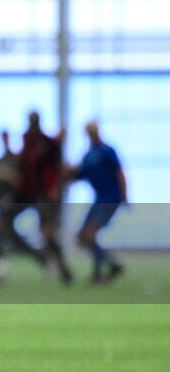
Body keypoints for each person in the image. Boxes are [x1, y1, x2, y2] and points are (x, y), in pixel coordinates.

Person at [0, 129, 46, 283]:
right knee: (10, 236)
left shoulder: (15, 160)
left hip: (11, 202)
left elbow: (21, 180)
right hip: (1, 204)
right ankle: (41, 259)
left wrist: (9, 178)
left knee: (0, 231)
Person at [16, 111, 74, 283]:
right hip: (29, 194)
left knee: (47, 232)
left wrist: (55, 188)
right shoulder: (27, 141)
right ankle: (45, 260)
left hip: (45, 195)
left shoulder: (47, 143)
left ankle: (62, 268)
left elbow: (57, 168)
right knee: (8, 226)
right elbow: (24, 168)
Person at [72, 121, 127, 283]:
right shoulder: (88, 155)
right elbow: (79, 174)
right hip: (99, 199)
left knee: (90, 233)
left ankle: (105, 269)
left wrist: (124, 196)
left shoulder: (107, 151)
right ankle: (109, 266)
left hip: (110, 198)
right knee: (82, 237)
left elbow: (119, 173)